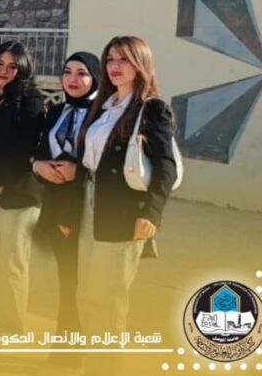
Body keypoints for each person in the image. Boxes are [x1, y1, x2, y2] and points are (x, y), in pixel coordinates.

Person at [71, 36, 177, 375]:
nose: (115, 66)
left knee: (108, 299)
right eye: (110, 59)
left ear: (140, 63)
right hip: (89, 204)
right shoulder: (103, 106)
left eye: (124, 59)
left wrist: (151, 213)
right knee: (86, 295)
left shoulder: (151, 107)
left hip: (121, 211)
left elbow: (166, 167)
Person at [0, 41, 46, 336]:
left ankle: (8, 330)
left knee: (11, 264)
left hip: (17, 192)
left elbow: (23, 147)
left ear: (23, 69)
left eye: (12, 66)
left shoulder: (31, 100)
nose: (3, 71)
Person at [32, 51, 100, 363]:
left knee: (85, 286)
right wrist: (39, 166)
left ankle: (82, 354)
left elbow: (102, 163)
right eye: (67, 71)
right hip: (57, 208)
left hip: (86, 210)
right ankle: (66, 351)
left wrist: (78, 172)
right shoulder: (56, 110)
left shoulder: (103, 115)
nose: (72, 79)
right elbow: (39, 151)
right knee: (67, 281)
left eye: (82, 73)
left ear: (95, 78)